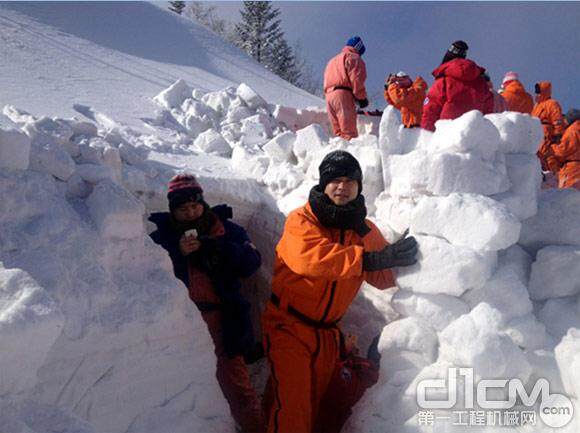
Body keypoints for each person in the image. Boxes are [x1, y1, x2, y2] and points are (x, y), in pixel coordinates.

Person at [262, 150, 419, 433]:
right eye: (335, 179)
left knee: (311, 399)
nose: (342, 186)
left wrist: (409, 254)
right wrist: (369, 259)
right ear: (324, 184)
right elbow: (311, 259)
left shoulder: (364, 229)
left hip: (328, 335)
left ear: (359, 187)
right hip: (289, 327)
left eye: (350, 181)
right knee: (294, 407)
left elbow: (383, 277)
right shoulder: (302, 220)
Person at [149, 174, 264, 433]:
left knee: (239, 386)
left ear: (203, 203)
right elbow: (150, 279)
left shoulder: (227, 229)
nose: (190, 213)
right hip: (182, 323)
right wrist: (178, 255)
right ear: (173, 210)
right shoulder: (162, 239)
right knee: (187, 386)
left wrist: (216, 248)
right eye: (183, 208)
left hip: (225, 320)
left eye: (195, 205)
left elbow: (252, 262)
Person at [421, 40, 494, 131]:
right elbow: (488, 112)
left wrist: (427, 135)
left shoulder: (443, 81)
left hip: (447, 134)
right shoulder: (482, 82)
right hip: (474, 135)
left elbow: (430, 111)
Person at [323, 36, 368, 140]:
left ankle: (339, 153)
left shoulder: (332, 61)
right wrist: (361, 98)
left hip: (329, 97)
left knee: (339, 135)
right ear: (358, 48)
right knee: (349, 134)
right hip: (342, 95)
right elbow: (357, 80)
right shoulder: (354, 58)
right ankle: (349, 154)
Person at [532, 81, 566, 173]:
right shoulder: (536, 106)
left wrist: (558, 135)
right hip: (537, 134)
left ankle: (554, 176)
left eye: (538, 91)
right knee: (539, 157)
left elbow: (557, 119)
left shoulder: (552, 103)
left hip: (547, 135)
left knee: (549, 157)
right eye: (536, 91)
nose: (537, 93)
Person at [547, 109, 580, 189]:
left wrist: (552, 147)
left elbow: (564, 150)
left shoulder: (573, 130)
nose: (563, 122)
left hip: (573, 169)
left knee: (567, 196)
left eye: (565, 119)